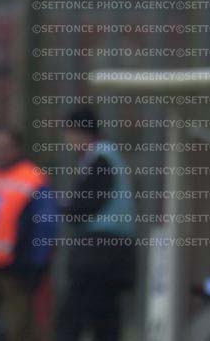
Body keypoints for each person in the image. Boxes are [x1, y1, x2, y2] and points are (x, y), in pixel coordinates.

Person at [55, 107, 136, 341]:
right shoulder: (109, 156)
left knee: (74, 311)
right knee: (105, 313)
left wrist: (65, 207)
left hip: (99, 248)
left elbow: (87, 203)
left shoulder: (100, 158)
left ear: (80, 132)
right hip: (115, 248)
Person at [0, 128, 56, 341]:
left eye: (5, 147)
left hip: (17, 266)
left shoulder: (32, 178)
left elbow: (45, 224)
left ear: (18, 148)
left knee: (18, 325)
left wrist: (37, 262)